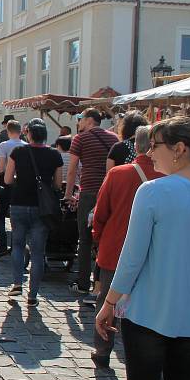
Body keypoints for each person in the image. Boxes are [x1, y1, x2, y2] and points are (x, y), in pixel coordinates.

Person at [95, 116, 190, 380]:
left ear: (179, 149)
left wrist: (109, 303)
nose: (146, 152)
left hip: (149, 313)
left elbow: (132, 257)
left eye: (153, 146)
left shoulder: (154, 191)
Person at [90, 126, 162, 368]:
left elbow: (101, 212)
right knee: (147, 304)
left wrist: (98, 237)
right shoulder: (167, 178)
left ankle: (102, 349)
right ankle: (145, 357)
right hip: (154, 253)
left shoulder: (118, 173)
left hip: (115, 247)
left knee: (108, 299)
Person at [4, 120, 63, 306]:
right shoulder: (54, 154)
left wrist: (20, 178)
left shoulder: (18, 152)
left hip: (19, 203)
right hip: (42, 208)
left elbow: (7, 179)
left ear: (28, 134)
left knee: (18, 245)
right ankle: (33, 295)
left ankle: (16, 282)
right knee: (38, 252)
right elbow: (57, 184)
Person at [64, 108, 118, 294]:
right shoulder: (113, 138)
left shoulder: (80, 138)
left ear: (88, 120)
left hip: (89, 192)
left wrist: (69, 193)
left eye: (80, 118)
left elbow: (72, 169)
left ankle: (83, 283)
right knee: (105, 237)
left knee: (85, 238)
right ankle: (101, 283)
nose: (78, 122)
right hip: (110, 191)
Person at [0, 120, 27, 260]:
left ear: (8, 130)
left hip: (6, 181)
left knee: (0, 215)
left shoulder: (4, 145)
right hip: (21, 183)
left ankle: (2, 245)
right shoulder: (26, 145)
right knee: (16, 216)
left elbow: (1, 168)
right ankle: (17, 246)